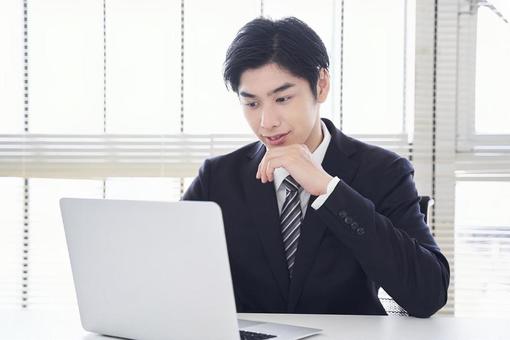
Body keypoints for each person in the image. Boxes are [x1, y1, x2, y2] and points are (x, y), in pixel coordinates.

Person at [183, 16, 449, 318]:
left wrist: (329, 190)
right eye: (252, 104)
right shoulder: (218, 178)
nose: (267, 122)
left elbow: (429, 293)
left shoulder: (384, 172)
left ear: (321, 85)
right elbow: (167, 269)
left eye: (282, 98)